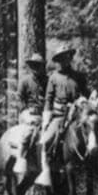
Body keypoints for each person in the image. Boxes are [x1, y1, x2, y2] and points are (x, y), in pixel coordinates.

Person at [37, 45, 89, 187]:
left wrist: (84, 101)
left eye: (66, 57)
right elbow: (49, 98)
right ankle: (46, 169)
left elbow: (86, 94)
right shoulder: (53, 77)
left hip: (77, 114)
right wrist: (47, 116)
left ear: (70, 58)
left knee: (94, 132)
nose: (64, 60)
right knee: (46, 141)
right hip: (59, 115)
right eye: (61, 58)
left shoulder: (79, 76)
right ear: (58, 60)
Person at [14, 54, 48, 174]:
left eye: (38, 66)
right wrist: (25, 109)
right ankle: (21, 158)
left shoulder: (47, 81)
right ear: (30, 67)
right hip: (28, 113)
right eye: (33, 65)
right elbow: (18, 98)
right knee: (29, 131)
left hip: (44, 112)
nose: (36, 68)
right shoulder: (25, 81)